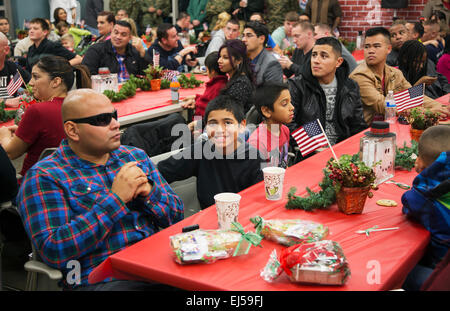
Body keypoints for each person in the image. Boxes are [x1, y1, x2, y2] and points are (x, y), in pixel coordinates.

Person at [16, 88, 183, 290]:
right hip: (102, 278)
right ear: (72, 130)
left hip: (157, 265)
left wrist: (149, 191)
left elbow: (177, 217)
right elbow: (54, 250)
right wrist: (116, 200)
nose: (116, 124)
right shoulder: (45, 176)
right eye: (103, 120)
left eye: (114, 116)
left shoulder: (134, 157)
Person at [158, 94, 264, 210]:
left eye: (228, 123)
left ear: (242, 125)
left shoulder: (256, 159)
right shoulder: (200, 151)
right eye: (213, 123)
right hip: (208, 221)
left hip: (245, 218)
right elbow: (161, 171)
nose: (220, 130)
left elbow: (259, 202)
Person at [0, 56, 91, 177]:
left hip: (36, 184)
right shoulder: (83, 106)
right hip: (74, 179)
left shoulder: (37, 111)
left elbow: (11, 152)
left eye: (36, 77)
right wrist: (22, 132)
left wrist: (4, 135)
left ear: (56, 82)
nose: (30, 83)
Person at [349, 27, 446, 125]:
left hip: (391, 124)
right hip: (365, 131)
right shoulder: (360, 75)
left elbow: (413, 95)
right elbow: (383, 105)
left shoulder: (394, 73)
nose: (370, 50)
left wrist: (442, 107)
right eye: (367, 47)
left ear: (388, 49)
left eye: (376, 46)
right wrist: (428, 112)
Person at [288, 37, 368, 149]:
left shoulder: (350, 86)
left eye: (324, 56)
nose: (316, 60)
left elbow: (357, 125)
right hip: (309, 151)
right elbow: (288, 125)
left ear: (338, 62)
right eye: (314, 55)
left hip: (342, 149)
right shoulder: (297, 85)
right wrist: (313, 145)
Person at [401, 125, 450, 290]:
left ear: (419, 162)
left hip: (442, 276)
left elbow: (407, 202)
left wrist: (422, 174)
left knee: (404, 274)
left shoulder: (422, 198)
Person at [82, 20, 149, 81]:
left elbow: (146, 76)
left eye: (123, 34)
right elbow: (86, 76)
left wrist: (142, 53)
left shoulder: (134, 51)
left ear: (130, 38)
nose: (118, 37)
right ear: (111, 33)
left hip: (132, 91)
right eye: (116, 33)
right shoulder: (95, 50)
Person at [248, 82, 294, 168]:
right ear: (267, 111)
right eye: (284, 104)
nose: (292, 107)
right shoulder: (257, 143)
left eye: (290, 102)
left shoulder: (285, 130)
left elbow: (283, 162)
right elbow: (257, 176)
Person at [181, 51, 228, 118]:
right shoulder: (220, 82)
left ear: (213, 72)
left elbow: (205, 106)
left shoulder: (217, 87)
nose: (206, 73)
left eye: (207, 70)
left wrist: (196, 102)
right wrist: (196, 97)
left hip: (201, 123)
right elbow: (207, 99)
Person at [218, 39, 255, 114]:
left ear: (238, 61)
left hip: (233, 124)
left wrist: (200, 123)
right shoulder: (235, 78)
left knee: (196, 121)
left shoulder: (240, 85)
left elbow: (229, 115)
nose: (219, 60)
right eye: (220, 56)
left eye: (225, 57)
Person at [242, 21, 283, 86]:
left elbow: (273, 93)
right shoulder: (242, 58)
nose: (243, 39)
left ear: (261, 39)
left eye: (249, 36)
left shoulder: (272, 64)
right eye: (243, 35)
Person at [0, 33, 31, 101]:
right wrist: (5, 102)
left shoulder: (12, 67)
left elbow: (32, 85)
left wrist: (29, 93)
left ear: (6, 50)